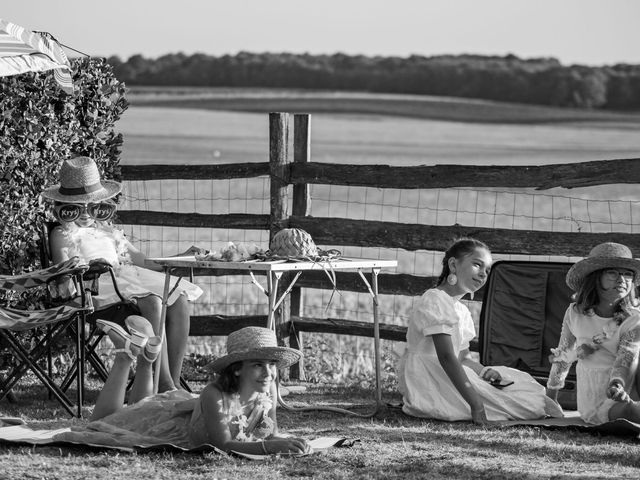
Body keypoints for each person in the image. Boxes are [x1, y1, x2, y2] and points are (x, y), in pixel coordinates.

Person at [41, 155, 203, 393]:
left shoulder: (110, 232)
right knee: (153, 301)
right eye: (78, 206)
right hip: (93, 288)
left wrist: (182, 255)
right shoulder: (62, 234)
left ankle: (174, 383)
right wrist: (84, 268)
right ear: (64, 207)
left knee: (178, 300)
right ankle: (164, 384)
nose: (86, 212)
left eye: (92, 205)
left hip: (127, 280)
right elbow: (63, 271)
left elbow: (144, 262)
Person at [56, 320, 310, 455]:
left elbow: (270, 432)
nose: (268, 373)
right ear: (237, 368)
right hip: (172, 427)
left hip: (183, 409)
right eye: (258, 364)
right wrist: (270, 447)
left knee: (134, 407)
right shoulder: (215, 394)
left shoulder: (269, 392)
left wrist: (288, 442)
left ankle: (146, 357)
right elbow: (224, 444)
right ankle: (125, 357)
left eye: (271, 365)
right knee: (102, 422)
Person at [397, 237, 563, 424]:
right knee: (529, 405)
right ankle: (467, 402)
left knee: (529, 391)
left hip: (451, 373)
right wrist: (476, 404)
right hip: (432, 381)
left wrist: (484, 371)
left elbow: (462, 358)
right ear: (453, 265)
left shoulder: (461, 310)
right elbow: (446, 358)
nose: (483, 274)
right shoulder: (434, 300)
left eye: (487, 270)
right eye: (477, 265)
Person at [546, 242, 640, 424]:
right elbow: (563, 355)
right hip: (594, 400)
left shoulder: (634, 318)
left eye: (628, 274)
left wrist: (617, 384)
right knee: (628, 412)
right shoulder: (575, 313)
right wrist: (551, 398)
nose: (622, 280)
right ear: (595, 278)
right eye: (613, 273)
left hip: (625, 388)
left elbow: (627, 356)